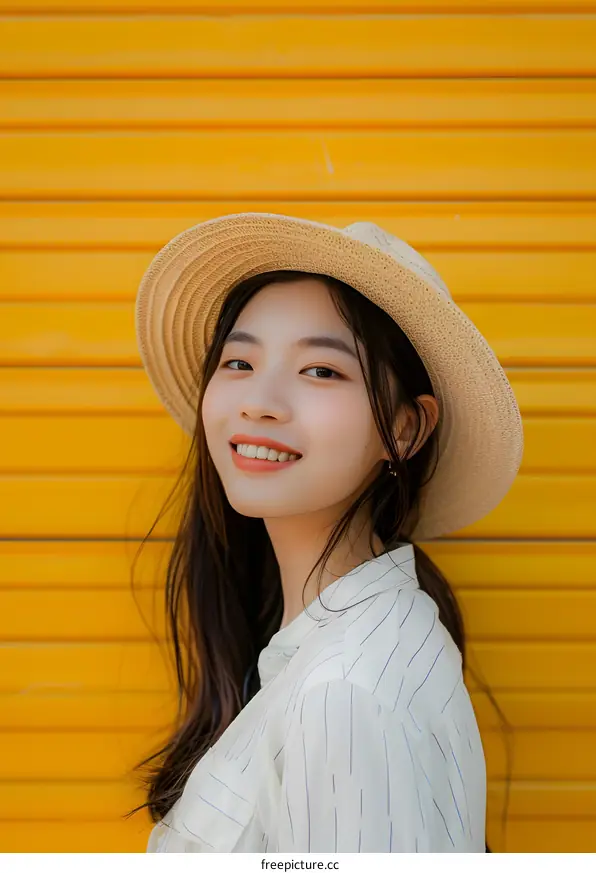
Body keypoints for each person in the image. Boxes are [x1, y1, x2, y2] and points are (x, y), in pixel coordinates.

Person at [131, 213, 523, 852]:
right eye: (238, 361)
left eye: (321, 371)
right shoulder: (341, 648)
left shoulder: (343, 693)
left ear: (403, 428)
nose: (260, 400)